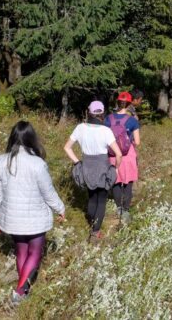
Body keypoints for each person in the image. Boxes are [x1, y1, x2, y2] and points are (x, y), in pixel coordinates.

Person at [0, 121, 65, 304]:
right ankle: (20, 292)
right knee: (36, 253)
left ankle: (21, 288)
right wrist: (60, 208)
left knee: (21, 250)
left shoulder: (1, 161)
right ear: (32, 138)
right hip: (35, 219)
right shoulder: (37, 163)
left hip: (12, 218)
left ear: (12, 138)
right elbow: (48, 192)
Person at [64, 100, 122, 240]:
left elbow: (67, 147)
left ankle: (92, 221)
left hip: (87, 166)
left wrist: (77, 162)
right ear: (102, 113)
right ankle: (95, 232)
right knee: (101, 199)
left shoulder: (80, 128)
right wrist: (116, 168)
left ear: (88, 112)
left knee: (91, 196)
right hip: (103, 166)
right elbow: (118, 153)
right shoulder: (106, 131)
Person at [106, 92, 141, 224]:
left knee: (116, 180)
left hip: (113, 153)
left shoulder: (108, 119)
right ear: (129, 103)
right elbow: (137, 142)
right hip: (128, 154)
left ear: (118, 102)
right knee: (128, 182)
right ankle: (125, 209)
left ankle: (118, 207)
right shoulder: (132, 121)